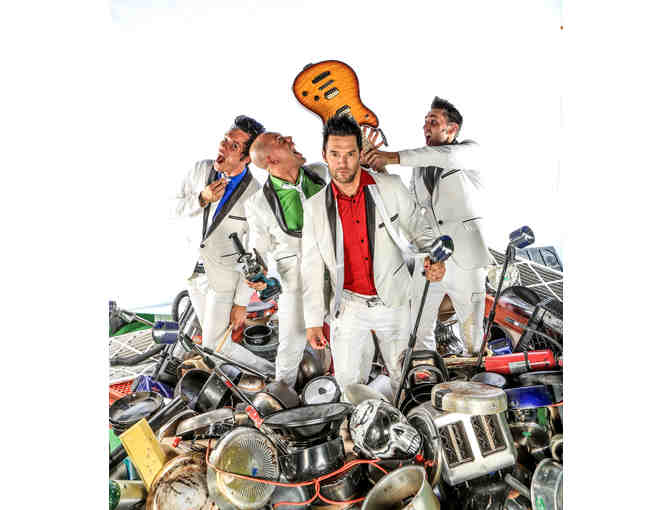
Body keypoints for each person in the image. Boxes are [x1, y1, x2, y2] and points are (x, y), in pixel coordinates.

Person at [301, 114, 445, 393]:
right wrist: (313, 322)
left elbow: (419, 228)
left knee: (404, 379)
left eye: (350, 154)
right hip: (348, 307)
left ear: (360, 153)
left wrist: (434, 257)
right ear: (324, 155)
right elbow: (311, 268)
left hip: (393, 301)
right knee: (349, 385)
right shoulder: (314, 207)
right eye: (335, 154)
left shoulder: (390, 187)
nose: (343, 162)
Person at [361, 97, 491, 355]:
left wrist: (390, 156)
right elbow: (410, 205)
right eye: (425, 122)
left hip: (465, 259)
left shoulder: (468, 152)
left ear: (452, 129)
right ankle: (425, 369)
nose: (425, 127)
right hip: (430, 258)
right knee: (418, 325)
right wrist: (379, 168)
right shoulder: (419, 170)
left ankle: (476, 373)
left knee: (473, 335)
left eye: (433, 121)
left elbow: (443, 156)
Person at [174, 115, 274, 375]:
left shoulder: (255, 196)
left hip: (223, 281)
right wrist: (201, 197)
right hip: (193, 274)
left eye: (234, 146)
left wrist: (241, 303)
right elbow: (173, 208)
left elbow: (256, 254)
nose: (223, 147)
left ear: (247, 158)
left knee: (214, 346)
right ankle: (251, 381)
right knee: (216, 345)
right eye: (225, 140)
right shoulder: (199, 169)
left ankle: (273, 376)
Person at [244, 131, 329, 388]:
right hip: (295, 282)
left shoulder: (322, 173)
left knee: (349, 335)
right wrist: (256, 274)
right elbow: (258, 250)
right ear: (271, 160)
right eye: (282, 141)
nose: (291, 139)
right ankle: (283, 397)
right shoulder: (257, 203)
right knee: (291, 344)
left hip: (337, 270)